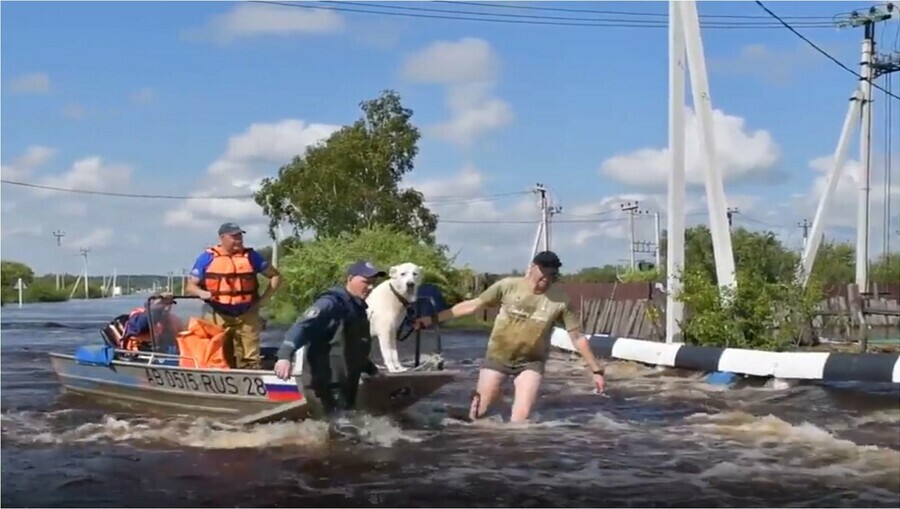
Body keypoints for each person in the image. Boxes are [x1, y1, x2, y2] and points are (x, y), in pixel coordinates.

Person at [416, 250, 607, 423]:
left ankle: (514, 453)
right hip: (498, 356)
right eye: (543, 270)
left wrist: (596, 370)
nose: (546, 277)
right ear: (532, 268)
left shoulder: (562, 301)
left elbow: (577, 337)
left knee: (521, 420)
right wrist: (431, 320)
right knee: (478, 414)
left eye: (552, 273)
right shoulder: (508, 286)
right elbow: (472, 305)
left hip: (531, 362)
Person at [273, 261, 384, 414]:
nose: (371, 287)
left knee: (349, 428)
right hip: (327, 384)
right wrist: (285, 356)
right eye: (366, 282)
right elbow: (302, 326)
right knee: (339, 430)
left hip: (346, 383)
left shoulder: (357, 308)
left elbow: (354, 348)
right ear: (350, 279)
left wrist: (371, 370)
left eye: (373, 283)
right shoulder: (330, 303)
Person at [185, 222, 281, 369]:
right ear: (222, 238)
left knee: (250, 357)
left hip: (247, 313)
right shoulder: (207, 258)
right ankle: (219, 382)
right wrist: (202, 293)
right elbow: (190, 287)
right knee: (218, 354)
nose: (239, 240)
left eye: (240, 236)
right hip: (217, 314)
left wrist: (263, 301)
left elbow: (275, 277)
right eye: (234, 236)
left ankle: (250, 379)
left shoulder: (251, 256)